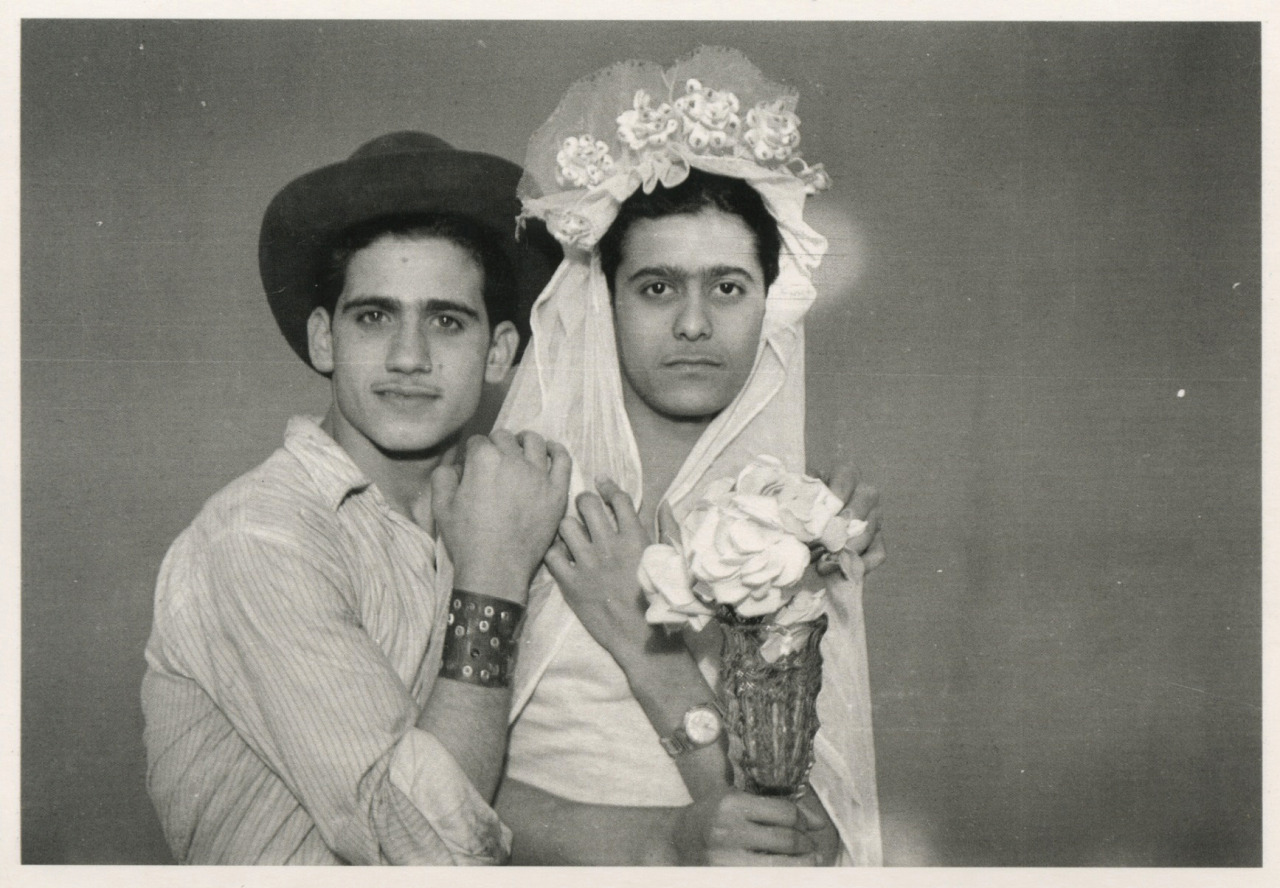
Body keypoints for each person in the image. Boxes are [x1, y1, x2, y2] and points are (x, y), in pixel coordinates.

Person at [492, 49, 884, 865]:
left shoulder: (803, 523)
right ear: (605, 302)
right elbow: (435, 789)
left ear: (768, 309)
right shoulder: (513, 491)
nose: (696, 325)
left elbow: (806, 844)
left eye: (729, 287)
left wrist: (647, 647)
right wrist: (662, 842)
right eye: (659, 287)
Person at [140, 131, 569, 864]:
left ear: (499, 351)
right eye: (374, 316)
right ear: (324, 340)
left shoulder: (495, 512)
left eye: (446, 319)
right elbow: (419, 847)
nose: (409, 356)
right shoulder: (258, 537)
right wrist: (494, 577)